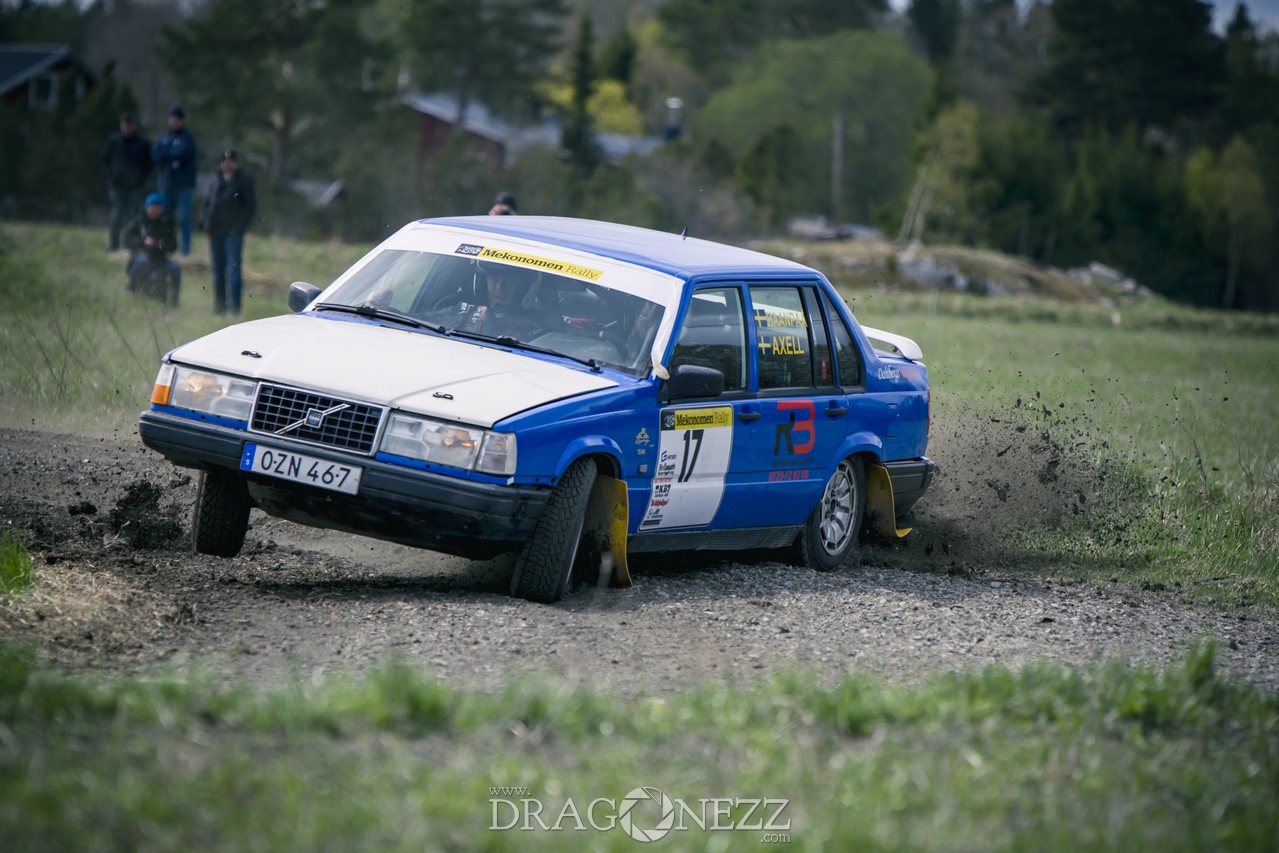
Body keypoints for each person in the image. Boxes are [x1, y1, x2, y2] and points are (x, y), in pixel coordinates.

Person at [201, 149, 257, 315]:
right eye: (225, 161)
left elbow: (250, 208)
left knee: (233, 271)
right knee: (217, 272)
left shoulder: (243, 181)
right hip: (215, 232)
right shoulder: (216, 180)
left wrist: (237, 227)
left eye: (231, 160)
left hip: (233, 233)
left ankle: (235, 308)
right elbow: (207, 204)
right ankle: (219, 307)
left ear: (236, 163)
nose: (228, 163)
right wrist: (205, 223)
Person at [100, 111, 152, 253]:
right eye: (125, 123)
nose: (127, 126)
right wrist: (110, 175)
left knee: (133, 217)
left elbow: (149, 164)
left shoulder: (142, 143)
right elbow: (104, 160)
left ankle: (131, 246)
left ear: (134, 125)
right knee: (116, 214)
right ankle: (114, 244)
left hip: (135, 186)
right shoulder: (113, 141)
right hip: (117, 186)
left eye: (130, 123)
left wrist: (141, 178)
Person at [151, 105, 197, 256]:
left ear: (181, 121)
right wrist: (170, 156)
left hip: (184, 185)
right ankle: (166, 247)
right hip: (166, 184)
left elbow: (182, 154)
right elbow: (155, 155)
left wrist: (167, 155)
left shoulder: (187, 138)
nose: (174, 122)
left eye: (177, 120)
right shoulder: (164, 137)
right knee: (165, 218)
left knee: (183, 217)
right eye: (172, 119)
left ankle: (185, 250)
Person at [455, 262, 543, 338]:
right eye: (493, 279)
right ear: (483, 283)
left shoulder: (536, 329)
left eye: (509, 280)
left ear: (523, 287)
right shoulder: (459, 314)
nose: (499, 288)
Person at [123, 192, 181, 306]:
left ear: (161, 208)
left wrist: (162, 244)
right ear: (147, 207)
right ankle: (131, 289)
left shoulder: (166, 223)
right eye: (152, 207)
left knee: (176, 268)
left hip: (160, 259)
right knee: (142, 261)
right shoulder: (138, 222)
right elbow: (127, 240)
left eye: (157, 208)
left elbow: (173, 245)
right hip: (140, 256)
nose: (154, 210)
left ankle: (174, 302)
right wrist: (143, 242)